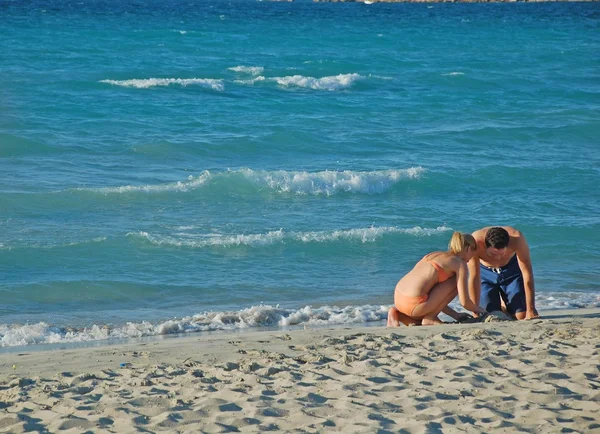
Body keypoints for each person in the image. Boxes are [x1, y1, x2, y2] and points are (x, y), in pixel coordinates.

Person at [387, 232, 488, 327]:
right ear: (469, 248)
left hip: (399, 298)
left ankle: (398, 314)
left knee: (418, 323)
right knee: (456, 282)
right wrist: (480, 310)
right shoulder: (459, 264)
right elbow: (465, 302)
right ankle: (431, 317)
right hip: (414, 303)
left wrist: (455, 315)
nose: (470, 260)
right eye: (472, 255)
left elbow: (437, 297)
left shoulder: (434, 255)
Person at [468, 226, 539, 320]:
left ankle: (507, 305)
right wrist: (475, 311)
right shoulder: (475, 242)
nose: (497, 258)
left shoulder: (517, 239)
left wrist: (531, 309)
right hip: (485, 273)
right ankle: (501, 304)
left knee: (521, 316)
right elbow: (474, 277)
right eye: (492, 254)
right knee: (491, 316)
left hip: (511, 271)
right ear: (485, 245)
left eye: (502, 254)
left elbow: (527, 274)